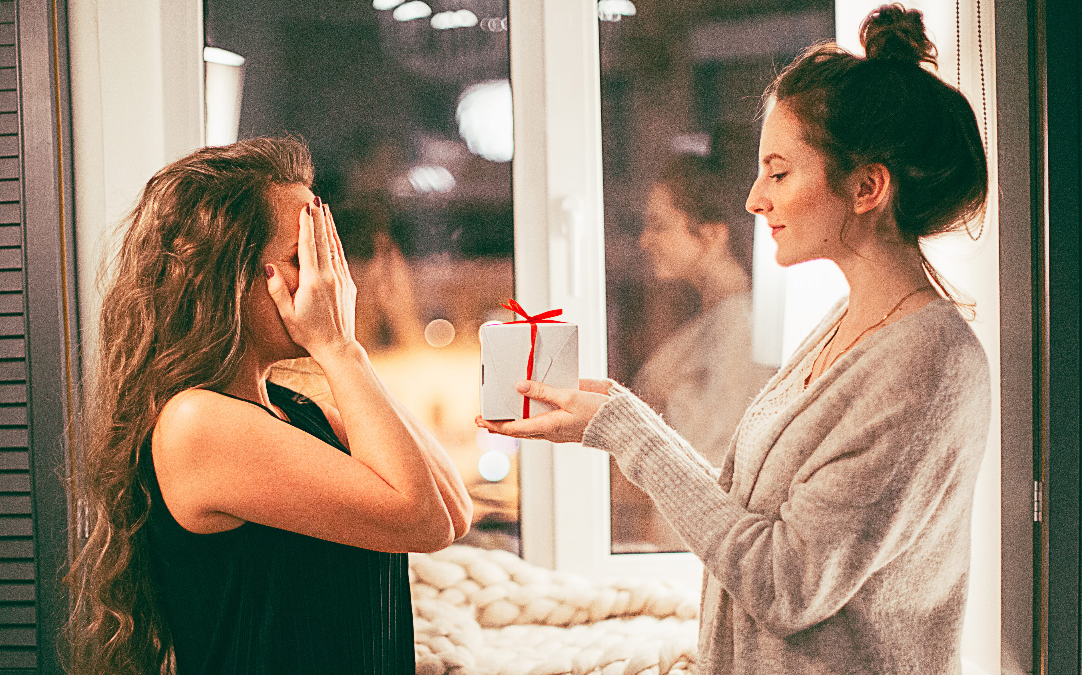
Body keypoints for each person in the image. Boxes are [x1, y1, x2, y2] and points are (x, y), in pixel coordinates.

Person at [478, 5, 989, 674]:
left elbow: (784, 583)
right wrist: (611, 416)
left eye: (778, 172)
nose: (753, 198)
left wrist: (629, 432)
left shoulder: (929, 364)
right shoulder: (846, 324)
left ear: (867, 187)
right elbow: (744, 514)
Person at [66, 137, 472, 675]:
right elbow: (422, 522)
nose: (331, 281)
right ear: (227, 276)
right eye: (304, 258)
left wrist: (346, 350)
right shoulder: (197, 423)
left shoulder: (294, 408)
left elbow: (452, 510)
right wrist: (338, 348)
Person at [634, 156, 774, 467]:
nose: (645, 240)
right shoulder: (717, 317)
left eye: (659, 225)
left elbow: (717, 450)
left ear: (712, 235)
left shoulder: (740, 324)